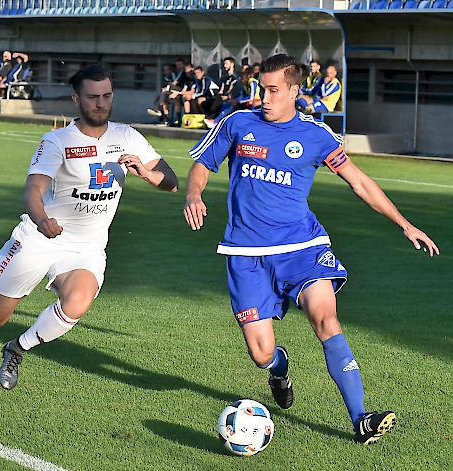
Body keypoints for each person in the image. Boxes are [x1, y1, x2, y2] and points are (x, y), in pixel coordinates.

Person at [183, 53, 439, 444]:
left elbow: (358, 181)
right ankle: (278, 367)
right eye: (260, 89)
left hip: (303, 247)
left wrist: (404, 223)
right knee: (260, 352)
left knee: (325, 318)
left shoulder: (316, 135)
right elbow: (202, 165)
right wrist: (194, 194)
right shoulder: (238, 123)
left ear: (293, 91)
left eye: (272, 90)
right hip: (246, 255)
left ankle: (360, 419)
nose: (264, 98)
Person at [0, 64, 180, 399]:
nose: (101, 103)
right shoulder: (57, 141)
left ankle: (17, 348)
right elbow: (33, 190)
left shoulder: (128, 137)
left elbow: (171, 181)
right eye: (93, 97)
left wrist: (147, 174)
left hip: (86, 248)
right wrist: (42, 219)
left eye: (106, 96)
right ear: (77, 99)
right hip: (40, 238)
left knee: (77, 303)